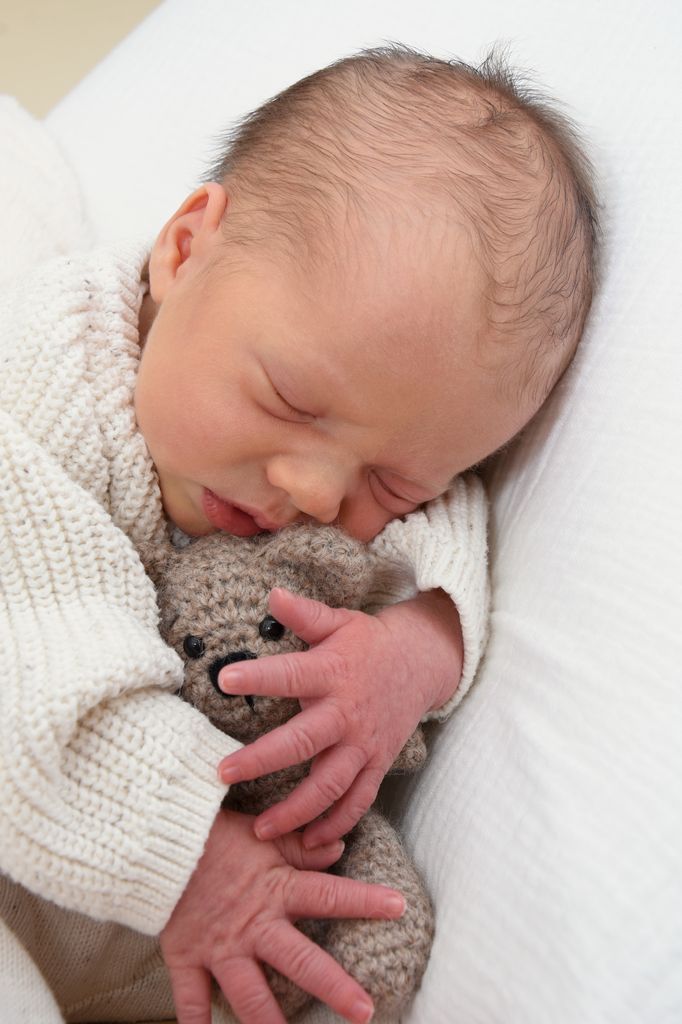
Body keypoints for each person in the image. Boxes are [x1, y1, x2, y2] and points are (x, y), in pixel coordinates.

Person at [0, 44, 598, 1024]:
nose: (316, 494)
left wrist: (418, 646)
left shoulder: (355, 449)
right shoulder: (41, 387)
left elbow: (448, 518)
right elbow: (26, 676)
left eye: (387, 480)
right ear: (184, 251)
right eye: (289, 398)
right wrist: (192, 861)